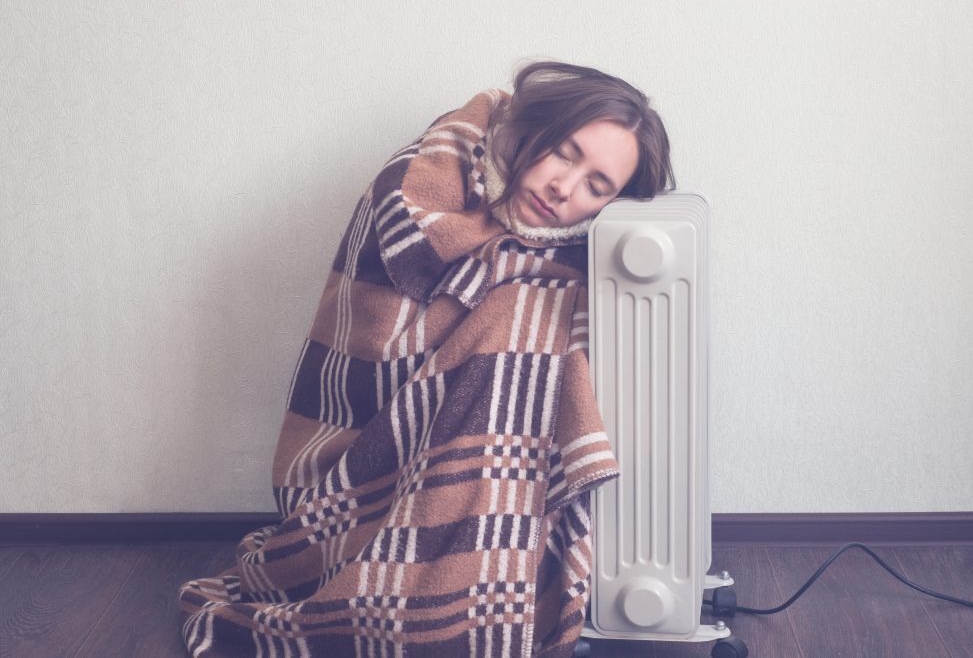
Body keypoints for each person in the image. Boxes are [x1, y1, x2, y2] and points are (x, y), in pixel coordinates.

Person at [179, 61, 674, 658]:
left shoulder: (576, 257)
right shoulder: (423, 185)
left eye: (597, 187)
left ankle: (483, 569)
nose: (564, 188)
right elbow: (393, 302)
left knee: (530, 318)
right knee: (522, 319)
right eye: (564, 153)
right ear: (534, 130)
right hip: (354, 461)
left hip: (460, 462)